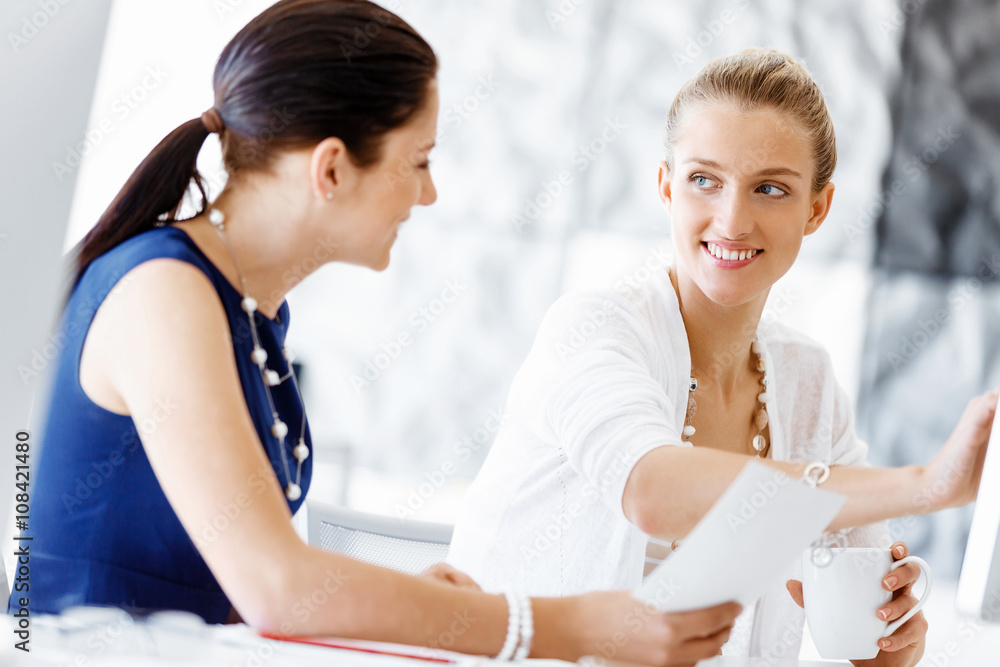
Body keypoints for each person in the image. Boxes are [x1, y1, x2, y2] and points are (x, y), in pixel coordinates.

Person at [10, 1, 747, 663]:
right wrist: (563, 626)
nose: (429, 192)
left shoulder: (248, 308)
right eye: (418, 161)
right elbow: (274, 588)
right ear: (331, 168)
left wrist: (400, 603)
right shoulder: (164, 292)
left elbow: (234, 584)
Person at [447, 48, 998, 666]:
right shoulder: (592, 331)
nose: (732, 221)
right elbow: (652, 491)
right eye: (704, 180)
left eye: (770, 189)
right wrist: (923, 486)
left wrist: (889, 639)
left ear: (816, 209)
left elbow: (865, 619)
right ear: (667, 187)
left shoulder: (808, 382)